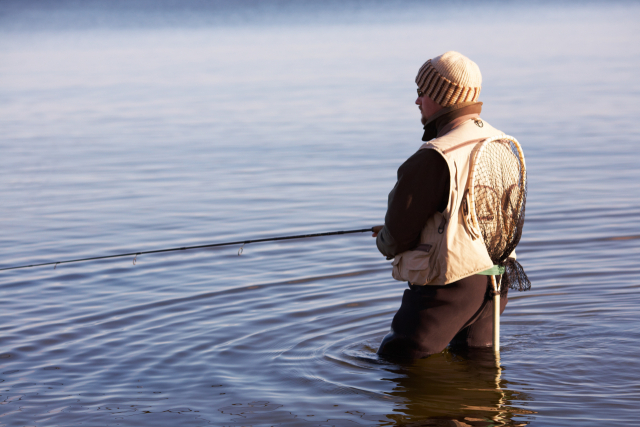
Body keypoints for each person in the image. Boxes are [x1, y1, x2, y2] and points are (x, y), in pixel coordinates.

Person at [373, 51, 512, 359]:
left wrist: (385, 238)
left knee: (396, 359)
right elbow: (468, 215)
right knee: (477, 368)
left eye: (422, 92)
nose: (418, 100)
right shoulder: (499, 141)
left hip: (448, 291)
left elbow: (396, 237)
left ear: (441, 96)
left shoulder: (434, 156)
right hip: (497, 282)